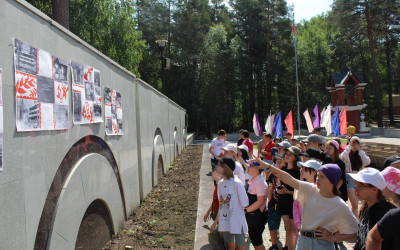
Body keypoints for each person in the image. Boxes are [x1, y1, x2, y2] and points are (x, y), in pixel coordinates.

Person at [253, 158, 358, 250]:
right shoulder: (310, 189)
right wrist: (268, 166)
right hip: (303, 241)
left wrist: (333, 238)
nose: (317, 178)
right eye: (318, 175)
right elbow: (288, 179)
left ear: (332, 181)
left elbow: (356, 232)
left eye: (322, 177)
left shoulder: (339, 205)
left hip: (322, 245)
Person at [349, 168, 396, 250]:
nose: (356, 189)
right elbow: (361, 239)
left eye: (360, 186)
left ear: (375, 189)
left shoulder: (385, 214)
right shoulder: (365, 207)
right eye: (356, 185)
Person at [214, 156, 249, 250]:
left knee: (240, 244)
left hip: (237, 220)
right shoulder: (220, 183)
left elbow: (245, 203)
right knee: (229, 244)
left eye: (219, 164)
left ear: (225, 168)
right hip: (225, 220)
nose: (216, 166)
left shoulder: (237, 183)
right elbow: (221, 203)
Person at [276, 146, 301, 250]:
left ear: (295, 157)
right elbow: (278, 184)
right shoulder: (283, 169)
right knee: (288, 228)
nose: (286, 156)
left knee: (293, 229)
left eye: (290, 155)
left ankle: (291, 247)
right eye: (286, 154)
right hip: (283, 201)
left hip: (293, 202)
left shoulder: (298, 172)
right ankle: (287, 246)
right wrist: (278, 190)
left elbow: (300, 191)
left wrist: (288, 192)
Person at [341, 136, 371, 218]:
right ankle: (356, 224)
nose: (354, 146)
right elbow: (342, 156)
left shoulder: (360, 154)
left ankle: (353, 221)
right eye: (352, 143)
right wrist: (349, 146)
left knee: (356, 204)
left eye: (356, 143)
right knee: (354, 205)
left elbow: (367, 162)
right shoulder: (347, 153)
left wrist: (359, 150)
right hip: (349, 178)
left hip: (358, 179)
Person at [293, 160, 321, 242]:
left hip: (315, 234)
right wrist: (298, 223)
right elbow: (295, 206)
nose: (301, 170)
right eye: (302, 168)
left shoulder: (320, 189)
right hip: (301, 230)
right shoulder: (301, 186)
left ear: (314, 172)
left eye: (305, 168)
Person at [245, 161, 268, 249]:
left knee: (257, 242)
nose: (248, 166)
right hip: (253, 215)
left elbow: (260, 201)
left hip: (257, 216)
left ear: (257, 169)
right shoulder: (253, 179)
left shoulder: (259, 181)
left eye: (251, 165)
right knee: (255, 240)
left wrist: (246, 210)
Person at [266, 154, 284, 250]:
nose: (279, 164)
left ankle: (288, 246)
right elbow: (270, 189)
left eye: (281, 162)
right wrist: (269, 202)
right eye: (277, 162)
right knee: (272, 224)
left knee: (287, 226)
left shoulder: (288, 174)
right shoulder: (273, 174)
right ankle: (274, 245)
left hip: (286, 203)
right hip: (274, 203)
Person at [204, 169, 223, 233]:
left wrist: (214, 223)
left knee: (222, 235)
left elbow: (222, 206)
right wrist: (208, 212)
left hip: (221, 218)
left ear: (220, 175)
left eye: (214, 171)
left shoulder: (221, 187)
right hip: (217, 215)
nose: (212, 172)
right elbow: (215, 200)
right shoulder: (217, 185)